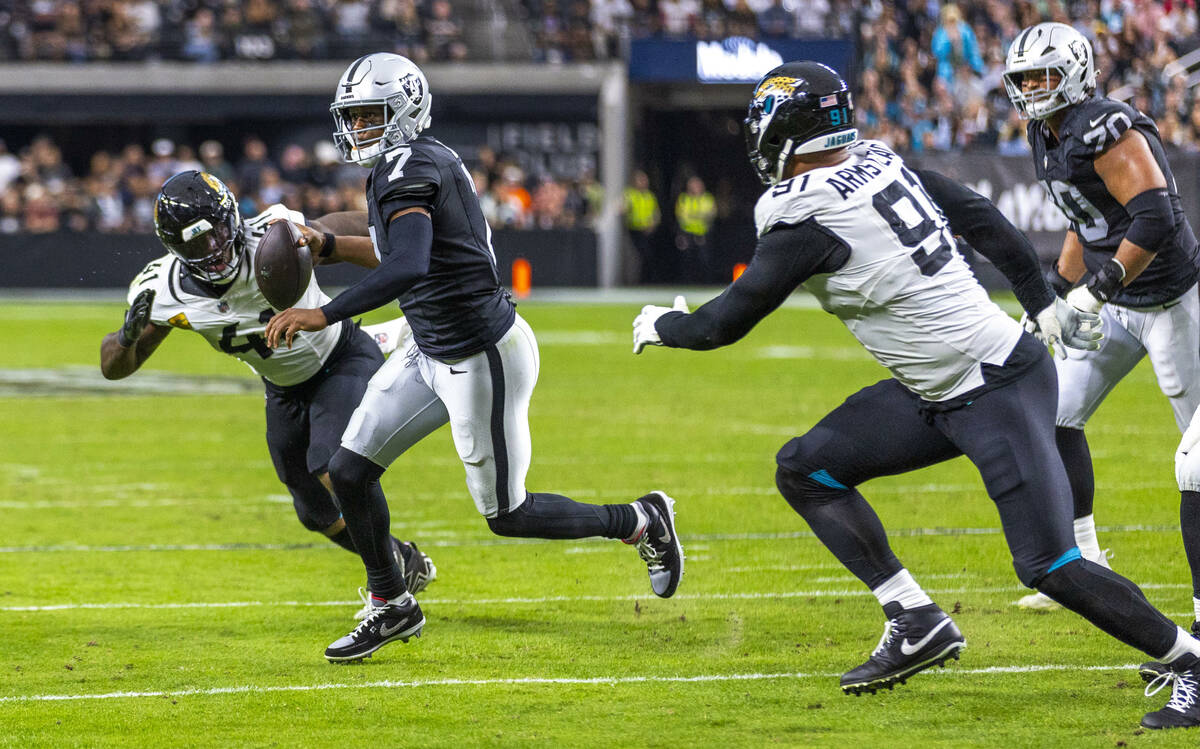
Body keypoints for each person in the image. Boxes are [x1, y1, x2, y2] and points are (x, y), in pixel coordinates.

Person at [632, 61, 1200, 730]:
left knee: (1050, 566)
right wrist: (1041, 301)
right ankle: (915, 617)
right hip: (943, 391)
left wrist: (662, 324)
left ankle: (1189, 660)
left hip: (994, 385)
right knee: (806, 468)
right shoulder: (880, 162)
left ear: (789, 128)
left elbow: (723, 323)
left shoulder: (805, 216)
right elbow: (985, 219)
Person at [263, 53, 684, 663]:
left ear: (404, 110)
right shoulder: (406, 164)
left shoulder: (410, 167)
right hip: (432, 344)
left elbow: (407, 263)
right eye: (351, 117)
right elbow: (399, 251)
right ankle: (392, 604)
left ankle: (639, 519)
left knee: (507, 514)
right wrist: (329, 243)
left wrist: (322, 312)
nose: (357, 129)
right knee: (348, 471)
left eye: (369, 115)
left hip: (479, 354)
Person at [100, 170, 437, 619]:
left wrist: (386, 232)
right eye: (198, 243)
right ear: (174, 247)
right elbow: (114, 368)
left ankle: (390, 596)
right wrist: (127, 336)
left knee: (331, 465)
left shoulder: (273, 236)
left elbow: (340, 227)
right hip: (282, 388)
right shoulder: (162, 292)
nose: (216, 248)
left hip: (340, 358)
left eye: (220, 231)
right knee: (314, 512)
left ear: (232, 218)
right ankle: (404, 561)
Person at [1001, 23, 1200, 628]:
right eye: (1024, 79)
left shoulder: (1105, 125)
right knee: (1054, 410)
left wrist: (1098, 290)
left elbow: (1156, 217)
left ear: (1078, 71)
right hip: (1116, 304)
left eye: (1044, 75)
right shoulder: (1046, 132)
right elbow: (1080, 219)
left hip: (1173, 303)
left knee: (1195, 464)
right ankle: (1087, 564)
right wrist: (1056, 297)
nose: (1033, 89)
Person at [623, 169, 661, 283]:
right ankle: (641, 280)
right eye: (640, 180)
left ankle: (648, 279)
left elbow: (656, 213)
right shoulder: (630, 194)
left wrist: (652, 224)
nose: (643, 182)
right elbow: (624, 206)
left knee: (648, 255)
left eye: (644, 180)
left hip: (648, 231)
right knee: (641, 255)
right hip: (635, 229)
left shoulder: (650, 196)